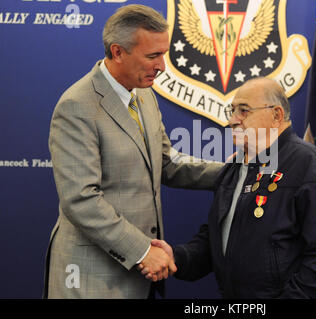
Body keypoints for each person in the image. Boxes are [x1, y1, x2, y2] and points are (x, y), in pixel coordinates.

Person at [44, 5, 223, 299]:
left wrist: (233, 172)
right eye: (153, 56)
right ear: (118, 52)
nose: (162, 66)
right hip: (92, 279)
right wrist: (141, 251)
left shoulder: (144, 95)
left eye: (163, 54)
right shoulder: (77, 105)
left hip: (138, 277)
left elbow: (166, 163)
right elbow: (81, 199)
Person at [142, 77, 316, 298]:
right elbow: (218, 238)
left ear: (276, 115)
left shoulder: (308, 164)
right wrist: (176, 257)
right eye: (231, 111)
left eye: (243, 111)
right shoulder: (236, 167)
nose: (232, 120)